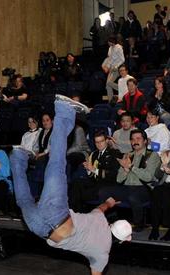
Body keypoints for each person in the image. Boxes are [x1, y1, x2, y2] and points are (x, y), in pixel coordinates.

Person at [10, 95, 132, 275]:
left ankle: (64, 110)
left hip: (56, 214)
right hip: (40, 229)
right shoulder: (102, 256)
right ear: (123, 241)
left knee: (57, 164)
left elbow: (101, 207)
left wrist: (110, 203)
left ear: (112, 226)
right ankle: (18, 158)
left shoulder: (99, 221)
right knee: (23, 200)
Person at [99, 129, 161, 231]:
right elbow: (119, 179)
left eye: (138, 139)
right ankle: (111, 219)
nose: (135, 141)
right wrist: (125, 170)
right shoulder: (127, 155)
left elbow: (148, 177)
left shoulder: (152, 155)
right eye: (132, 139)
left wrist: (131, 167)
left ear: (145, 141)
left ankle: (139, 223)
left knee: (133, 196)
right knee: (103, 191)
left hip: (144, 188)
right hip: (127, 187)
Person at [69, 131, 122, 212]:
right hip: (96, 183)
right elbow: (92, 176)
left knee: (80, 193)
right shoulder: (94, 154)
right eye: (97, 142)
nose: (99, 144)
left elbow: (113, 174)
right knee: (76, 182)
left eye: (101, 141)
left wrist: (93, 169)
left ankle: (79, 212)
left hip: (108, 184)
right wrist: (88, 170)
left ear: (107, 141)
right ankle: (74, 212)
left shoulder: (114, 153)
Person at [102, 36, 125, 102]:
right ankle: (111, 102)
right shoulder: (110, 48)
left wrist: (116, 66)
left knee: (109, 82)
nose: (108, 43)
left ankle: (123, 90)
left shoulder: (119, 47)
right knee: (107, 85)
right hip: (111, 68)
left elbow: (122, 59)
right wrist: (107, 67)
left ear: (112, 41)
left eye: (109, 42)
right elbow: (110, 59)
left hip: (117, 68)